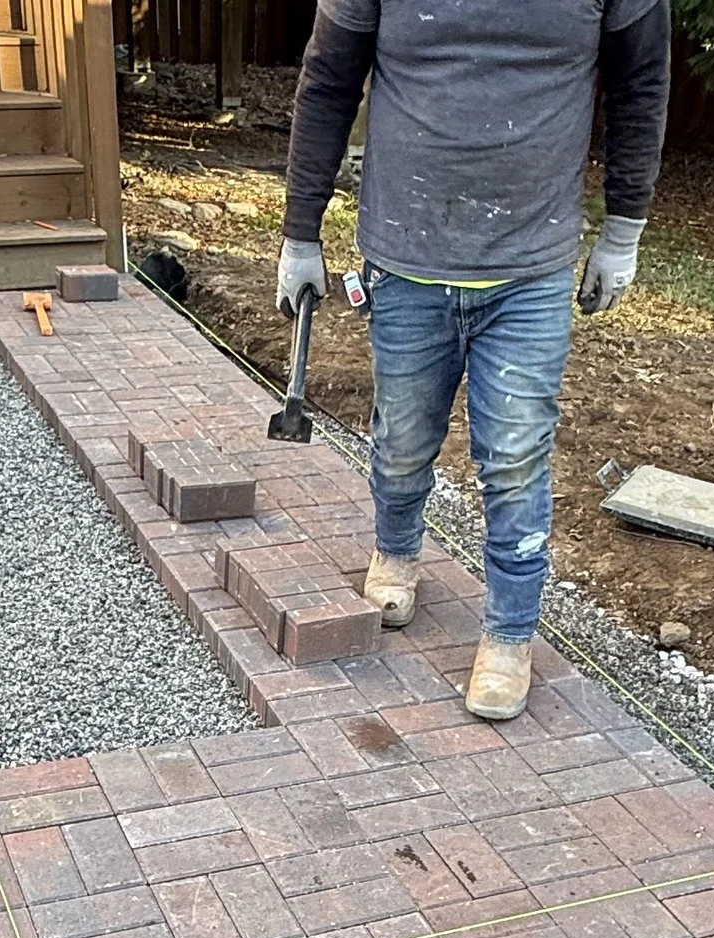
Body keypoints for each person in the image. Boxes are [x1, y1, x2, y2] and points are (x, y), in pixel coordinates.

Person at [277, 0, 670, 720]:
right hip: (406, 257)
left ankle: (509, 636)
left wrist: (625, 228)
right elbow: (329, 79)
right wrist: (300, 234)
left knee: (515, 458)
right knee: (400, 441)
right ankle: (396, 551)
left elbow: (640, 82)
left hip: (530, 269)